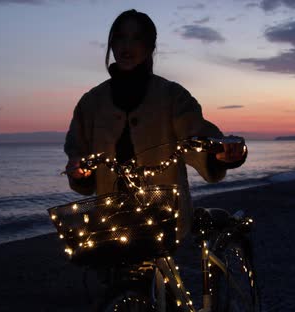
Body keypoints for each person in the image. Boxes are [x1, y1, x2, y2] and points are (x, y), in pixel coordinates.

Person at [64, 9, 247, 237]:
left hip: (164, 221)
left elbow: (196, 134)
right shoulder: (91, 102)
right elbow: (77, 150)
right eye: (120, 37)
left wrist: (220, 153)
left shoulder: (171, 95)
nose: (126, 45)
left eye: (136, 38)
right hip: (110, 224)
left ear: (151, 47)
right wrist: (79, 169)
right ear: (111, 44)